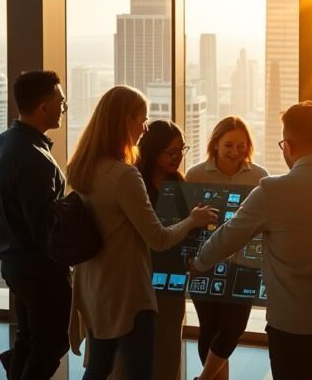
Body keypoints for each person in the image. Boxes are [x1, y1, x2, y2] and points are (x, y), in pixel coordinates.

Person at [190, 101, 312, 380]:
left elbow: (226, 239)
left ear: (287, 145)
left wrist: (199, 261)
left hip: (294, 327)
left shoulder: (272, 191)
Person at [67, 87, 217, 379]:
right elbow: (158, 239)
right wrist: (192, 220)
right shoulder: (125, 175)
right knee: (139, 371)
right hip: (128, 290)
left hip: (93, 283)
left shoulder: (82, 168)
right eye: (142, 119)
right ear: (126, 120)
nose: (144, 128)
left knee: (99, 366)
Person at [0, 70, 70, 380]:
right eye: (60, 102)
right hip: (41, 269)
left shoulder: (1, 144)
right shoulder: (34, 157)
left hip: (13, 262)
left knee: (28, 337)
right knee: (52, 341)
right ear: (44, 106)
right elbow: (43, 226)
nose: (63, 107)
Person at [184, 117, 270, 380]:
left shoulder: (260, 176)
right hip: (205, 261)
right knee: (209, 327)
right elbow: (188, 221)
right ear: (215, 144)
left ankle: (204, 378)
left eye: (241, 146)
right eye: (228, 145)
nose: (235, 152)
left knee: (234, 326)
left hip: (246, 264)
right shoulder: (196, 174)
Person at [136, 119, 196, 380]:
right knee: (141, 348)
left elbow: (188, 233)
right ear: (152, 151)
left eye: (181, 150)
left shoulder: (179, 185)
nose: (178, 158)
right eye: (171, 152)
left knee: (170, 345)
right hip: (141, 276)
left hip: (173, 275)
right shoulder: (136, 185)